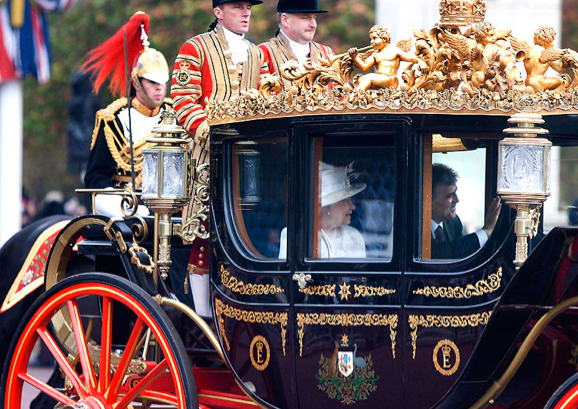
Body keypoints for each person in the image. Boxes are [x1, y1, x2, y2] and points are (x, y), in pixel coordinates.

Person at [171, 0, 265, 317]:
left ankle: (238, 308)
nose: (246, 12)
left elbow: (269, 100)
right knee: (204, 237)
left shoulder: (257, 54)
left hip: (249, 159)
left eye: (248, 7)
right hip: (207, 159)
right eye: (238, 7)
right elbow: (183, 102)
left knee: (248, 232)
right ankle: (203, 317)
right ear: (219, 12)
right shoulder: (194, 48)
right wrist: (214, 135)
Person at [83, 12, 172, 217]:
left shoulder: (174, 115)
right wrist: (128, 210)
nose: (160, 89)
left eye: (163, 82)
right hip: (125, 212)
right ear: (136, 83)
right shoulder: (113, 120)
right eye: (152, 82)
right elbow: (97, 178)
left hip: (169, 210)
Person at [279, 163, 366, 258]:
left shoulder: (354, 237)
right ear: (326, 206)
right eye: (345, 201)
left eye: (350, 200)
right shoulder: (295, 236)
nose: (353, 207)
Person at [431, 163, 501, 259]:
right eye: (449, 195)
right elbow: (443, 253)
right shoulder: (414, 230)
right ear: (429, 202)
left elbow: (461, 258)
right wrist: (486, 231)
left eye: (455, 192)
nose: (457, 199)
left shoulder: (453, 223)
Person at [259, 0, 333, 88]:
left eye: (314, 18)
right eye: (306, 18)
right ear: (285, 20)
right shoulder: (263, 53)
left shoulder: (327, 53)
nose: (313, 25)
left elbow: (341, 96)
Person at [348, 25, 427, 92]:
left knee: (368, 78)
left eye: (375, 38)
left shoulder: (394, 51)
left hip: (391, 81)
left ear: (384, 38)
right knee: (362, 79)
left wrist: (421, 62)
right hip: (380, 80)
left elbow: (412, 59)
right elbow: (364, 67)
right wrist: (355, 57)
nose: (372, 42)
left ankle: (356, 96)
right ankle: (363, 95)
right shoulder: (375, 54)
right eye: (371, 39)